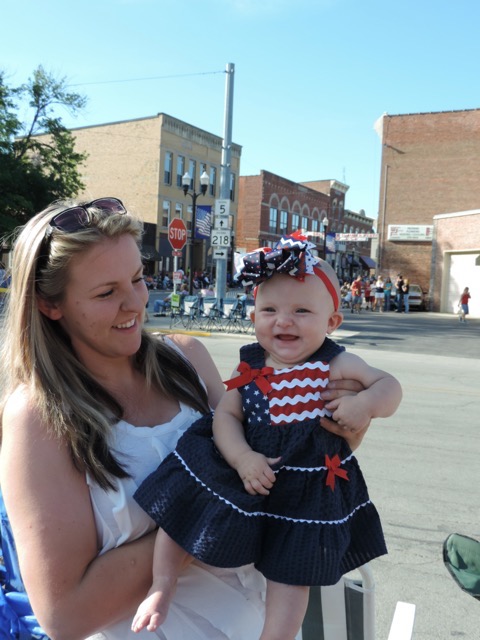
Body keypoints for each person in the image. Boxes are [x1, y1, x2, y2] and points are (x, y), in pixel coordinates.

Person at [0, 201, 365, 640]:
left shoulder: (187, 358)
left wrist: (340, 432)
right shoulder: (37, 417)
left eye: (137, 278)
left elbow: (278, 475)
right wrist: (205, 521)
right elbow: (65, 616)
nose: (135, 302)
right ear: (49, 304)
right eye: (105, 293)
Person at [132, 234, 403, 639]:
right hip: (249, 465)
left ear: (332, 322)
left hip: (307, 483)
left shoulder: (335, 362)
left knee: (293, 572)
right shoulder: (253, 365)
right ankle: (162, 582)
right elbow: (226, 414)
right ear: (254, 314)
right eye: (269, 309)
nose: (283, 320)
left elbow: (390, 386)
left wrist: (365, 406)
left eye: (302, 310)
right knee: (187, 506)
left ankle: (274, 635)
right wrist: (241, 457)